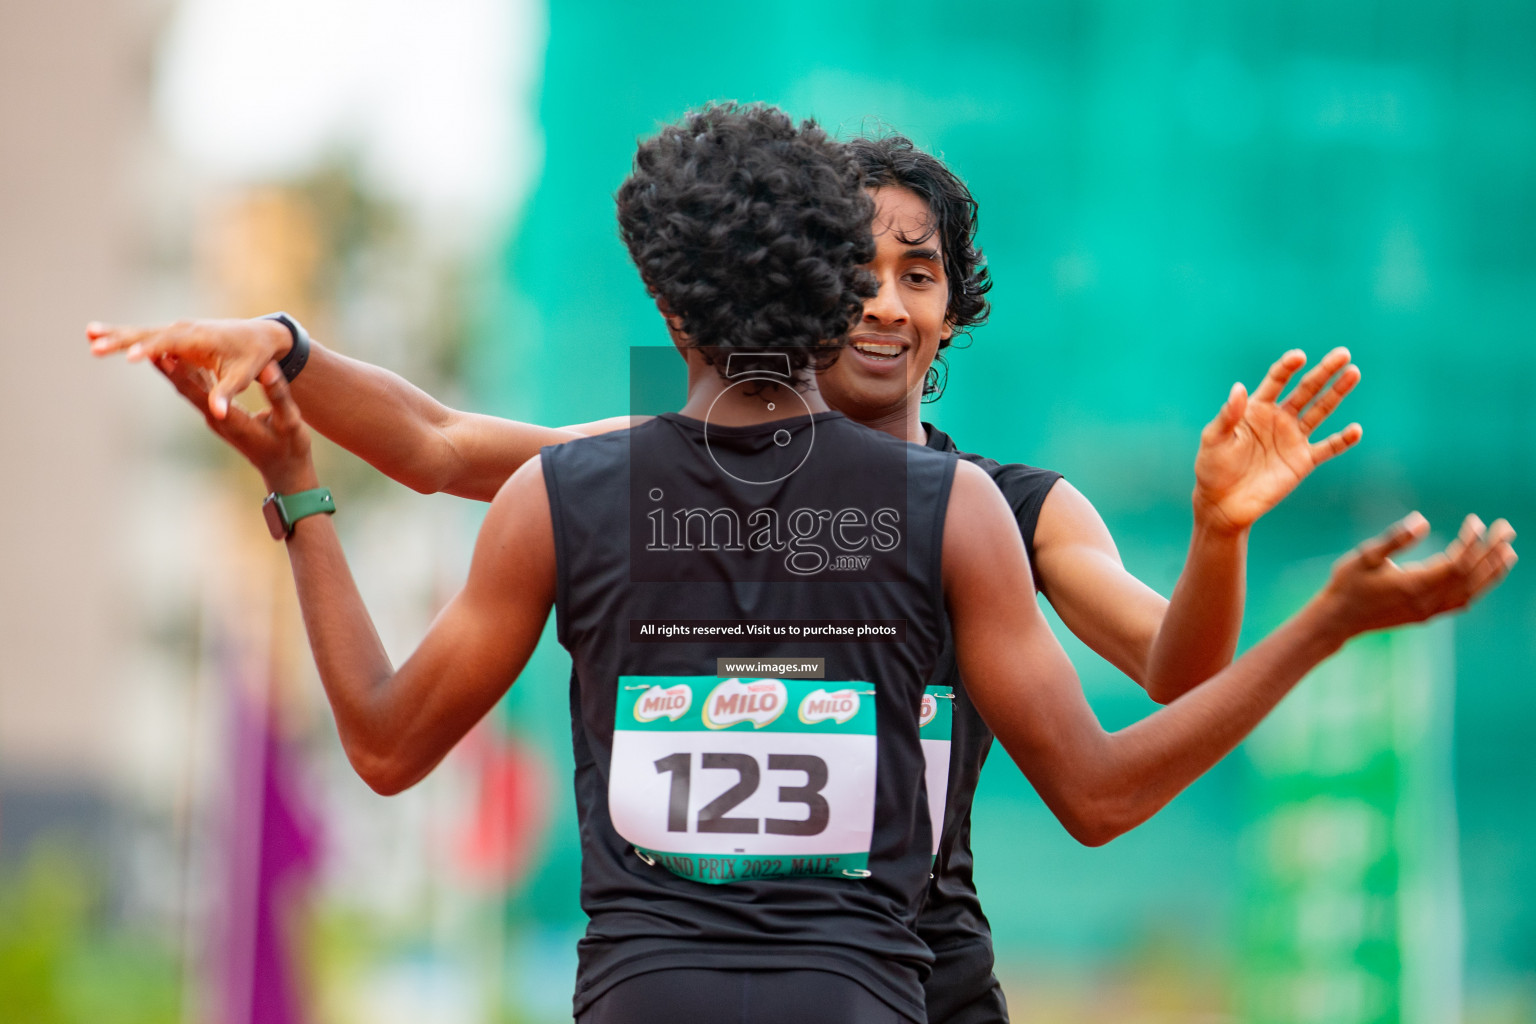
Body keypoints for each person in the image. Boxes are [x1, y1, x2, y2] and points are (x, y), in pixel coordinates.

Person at [95, 128, 1515, 1024]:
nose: (887, 300)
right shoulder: (646, 475)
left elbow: (1170, 679)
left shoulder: (1002, 511)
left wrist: (1218, 538)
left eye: (921, 273)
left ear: (957, 311)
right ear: (799, 279)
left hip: (922, 973)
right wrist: (285, 342)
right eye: (862, 267)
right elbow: (439, 439)